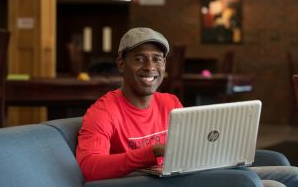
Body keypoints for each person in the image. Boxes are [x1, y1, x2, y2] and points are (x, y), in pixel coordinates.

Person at [76, 27, 298, 186]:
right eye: (139, 59)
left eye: (157, 59)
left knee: (293, 175)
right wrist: (152, 152)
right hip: (149, 181)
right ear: (121, 64)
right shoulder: (103, 111)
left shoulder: (170, 102)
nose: (150, 67)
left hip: (188, 174)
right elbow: (90, 168)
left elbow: (193, 148)